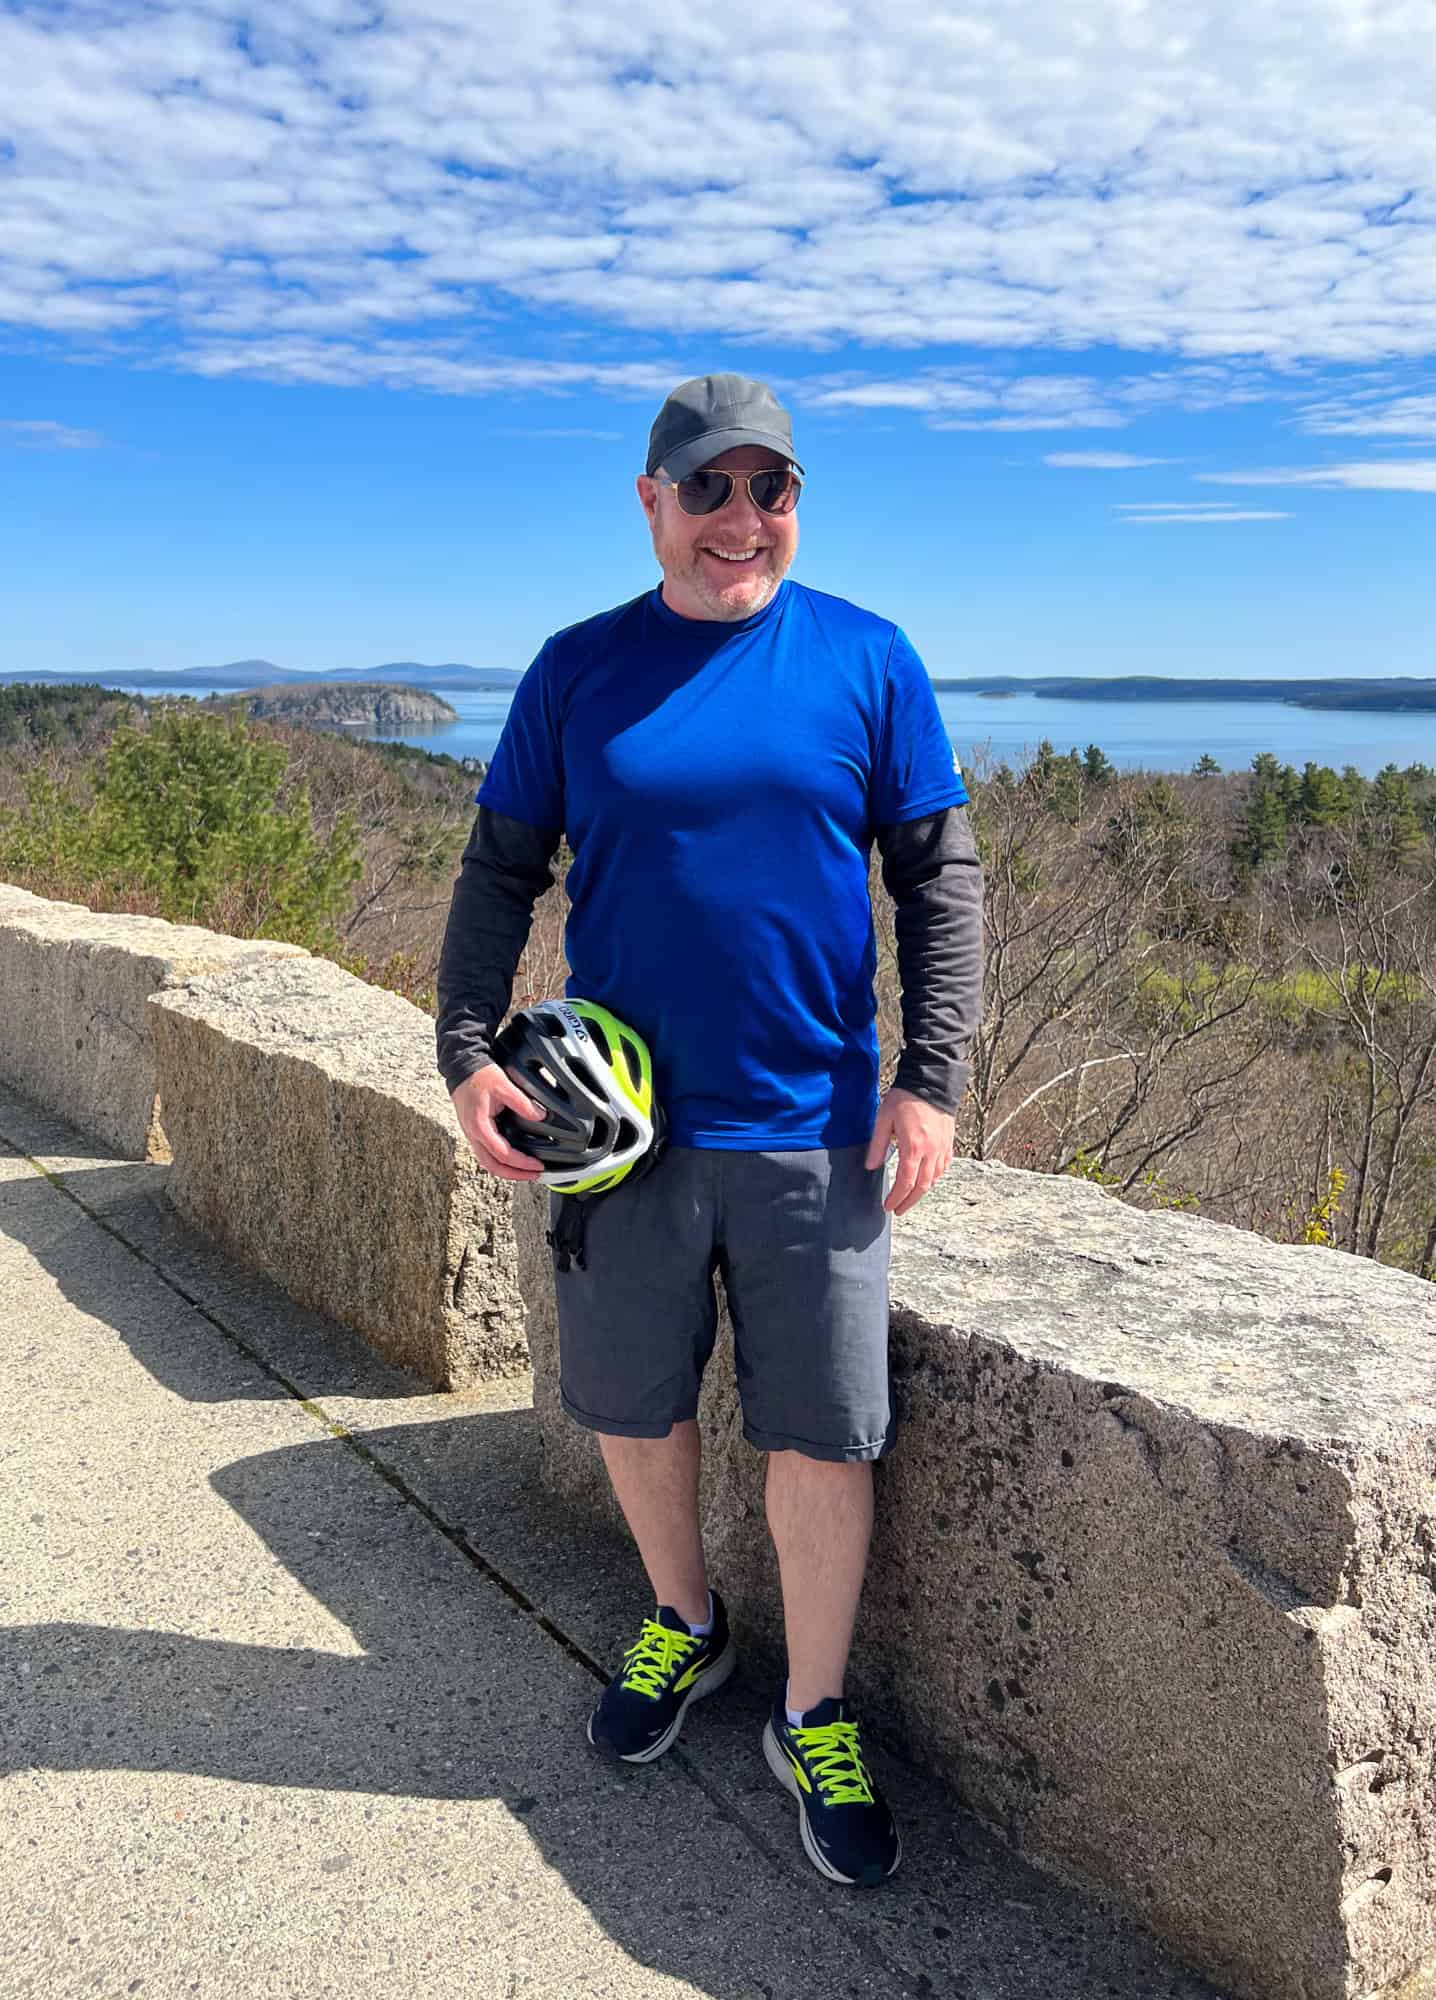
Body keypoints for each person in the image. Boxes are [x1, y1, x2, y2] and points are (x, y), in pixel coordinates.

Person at [435, 373, 983, 1887]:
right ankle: (686, 1620)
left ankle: (812, 1708)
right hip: (616, 1133)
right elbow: (498, 876)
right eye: (711, 488)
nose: (744, 518)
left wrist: (930, 1078)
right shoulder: (578, 670)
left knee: (824, 1431)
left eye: (773, 490)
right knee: (631, 1399)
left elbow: (942, 880)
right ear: (652, 501)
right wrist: (467, 1052)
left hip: (816, 1132)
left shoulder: (868, 659)